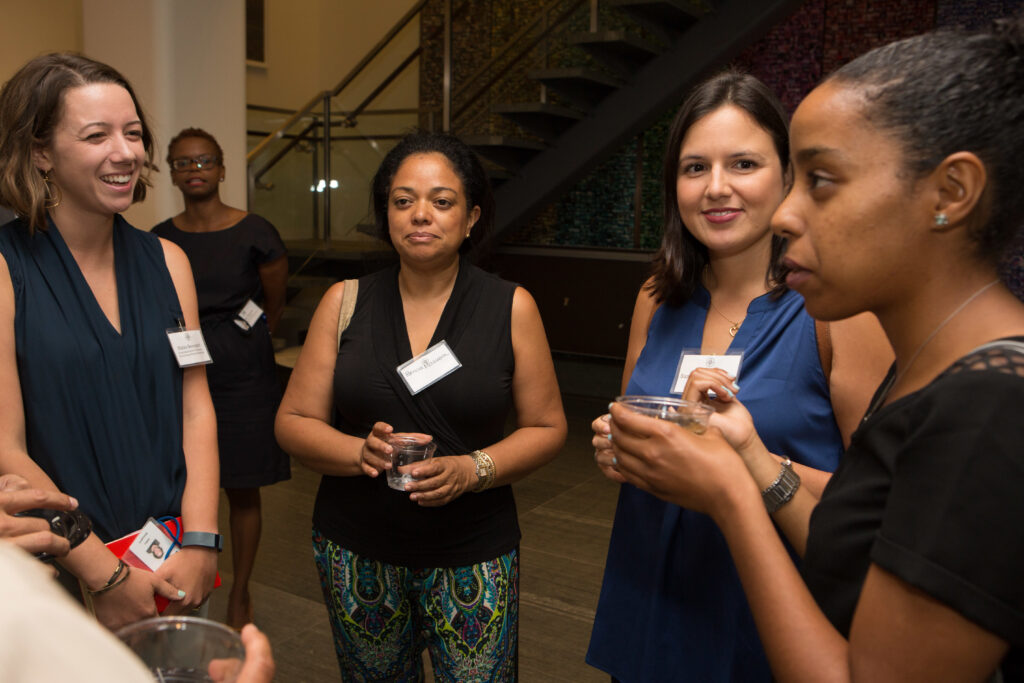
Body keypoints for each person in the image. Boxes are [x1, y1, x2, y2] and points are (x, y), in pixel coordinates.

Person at [606, 17, 1024, 682]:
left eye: (820, 180)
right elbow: (870, 538)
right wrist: (744, 449)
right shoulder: (948, 372)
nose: (784, 213)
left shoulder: (989, 406)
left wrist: (730, 492)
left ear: (950, 193)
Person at [586, 71, 892, 682]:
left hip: (768, 608)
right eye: (695, 167)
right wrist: (619, 448)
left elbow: (884, 502)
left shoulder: (836, 311)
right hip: (651, 588)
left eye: (744, 163)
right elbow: (638, 420)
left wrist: (743, 462)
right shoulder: (656, 297)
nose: (716, 189)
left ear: (787, 175)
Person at [275, 130, 567, 680]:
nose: (420, 215)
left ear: (472, 216)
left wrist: (472, 468)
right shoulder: (345, 301)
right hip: (357, 546)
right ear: (386, 215)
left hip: (474, 550)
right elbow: (292, 423)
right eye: (403, 201)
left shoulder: (510, 307)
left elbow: (548, 427)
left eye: (441, 201)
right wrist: (356, 450)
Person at [0, 53, 220, 630]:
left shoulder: (169, 262)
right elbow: (8, 449)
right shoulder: (5, 270)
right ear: (41, 151)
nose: (125, 152)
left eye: (133, 133)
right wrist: (105, 574)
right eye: (96, 135)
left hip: (172, 557)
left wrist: (202, 541)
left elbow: (195, 409)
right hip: (62, 570)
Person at [153, 127, 290, 630]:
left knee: (242, 485)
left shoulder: (255, 230)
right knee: (185, 481)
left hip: (244, 375)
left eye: (204, 161)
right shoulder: (160, 239)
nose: (195, 171)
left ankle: (240, 590)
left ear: (223, 168)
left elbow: (272, 302)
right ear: (171, 172)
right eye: (184, 163)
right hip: (185, 371)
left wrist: (245, 336)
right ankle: (185, 575)